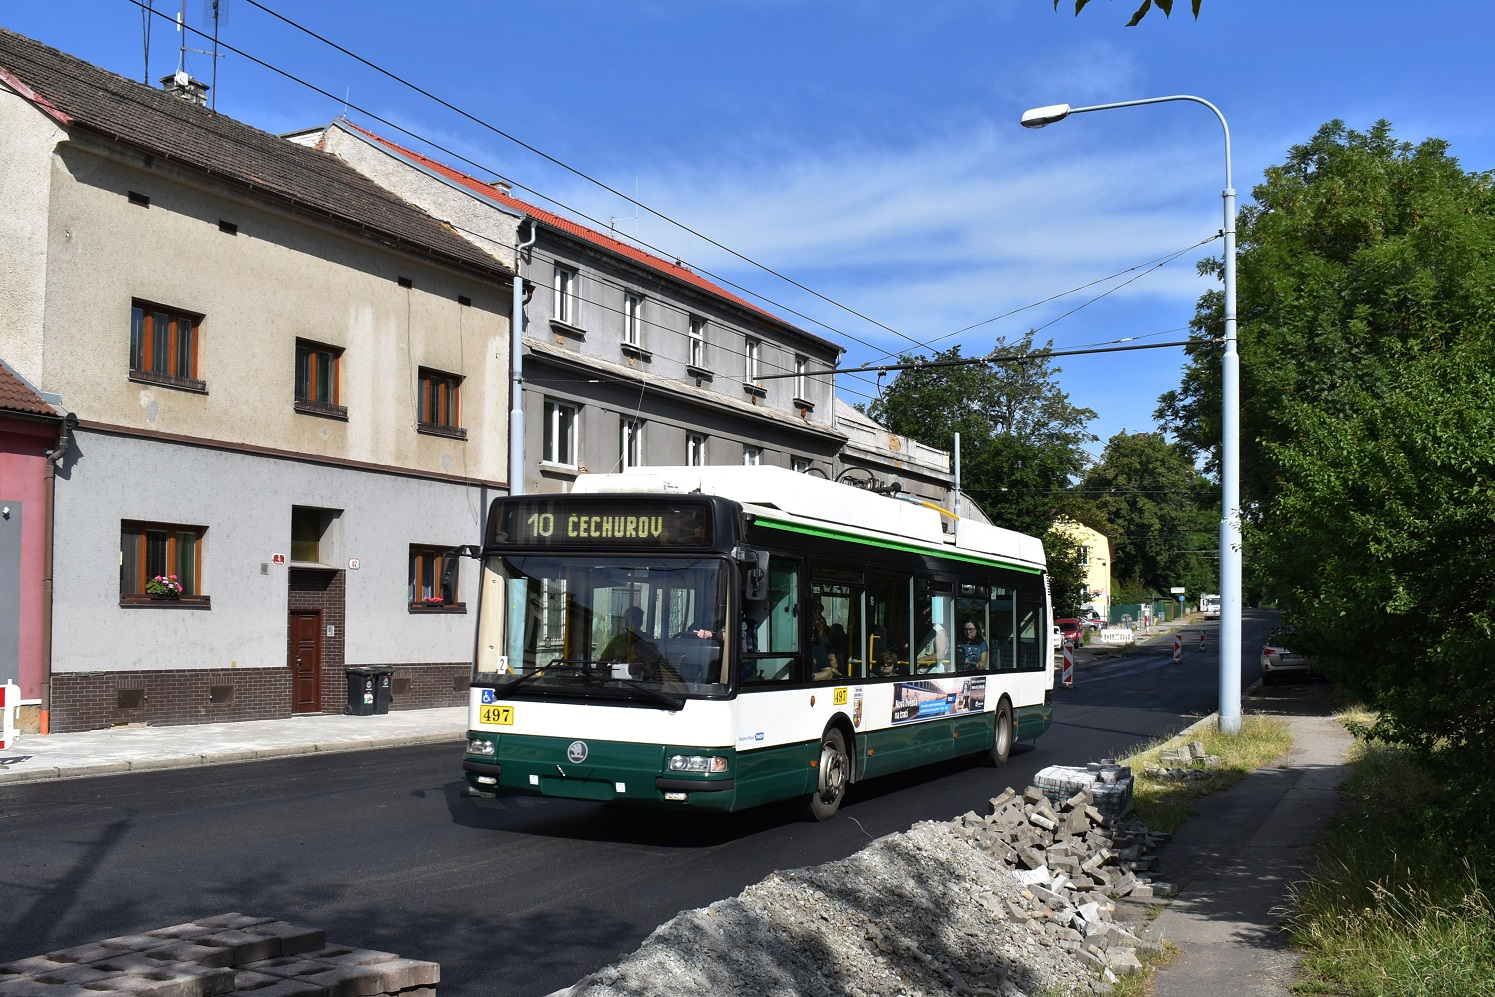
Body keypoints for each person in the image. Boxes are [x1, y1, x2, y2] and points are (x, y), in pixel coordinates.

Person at [600, 606, 663, 674]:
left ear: (640, 622)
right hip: (619, 682)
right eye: (625, 619)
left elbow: (657, 666)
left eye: (631, 619)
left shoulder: (648, 640)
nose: (626, 622)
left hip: (644, 682)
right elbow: (601, 664)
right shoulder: (617, 641)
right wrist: (613, 672)